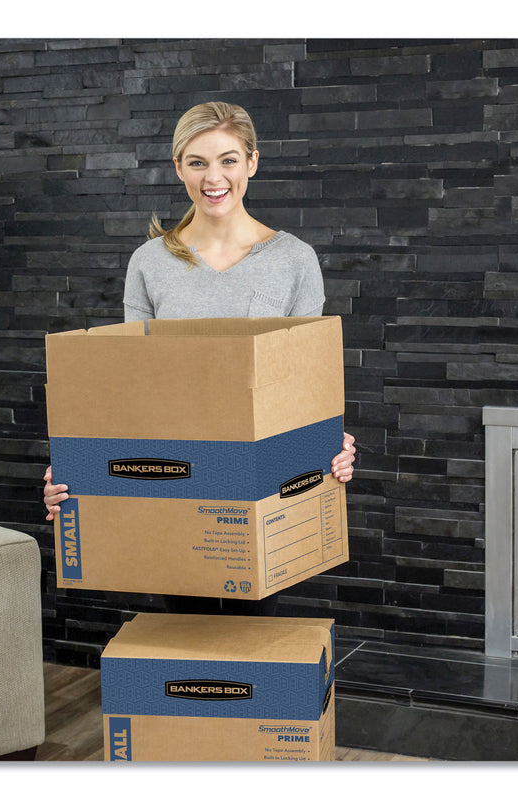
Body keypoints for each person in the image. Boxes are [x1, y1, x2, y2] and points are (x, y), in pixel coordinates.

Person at [43, 101, 356, 615]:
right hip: (176, 479)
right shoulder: (150, 263)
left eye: (228, 160)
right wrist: (80, 467)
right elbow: (129, 387)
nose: (214, 178)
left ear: (252, 162)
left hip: (264, 482)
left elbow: (306, 385)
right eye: (197, 162)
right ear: (178, 168)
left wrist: (330, 445)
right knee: (185, 635)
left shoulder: (295, 261)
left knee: (251, 640)